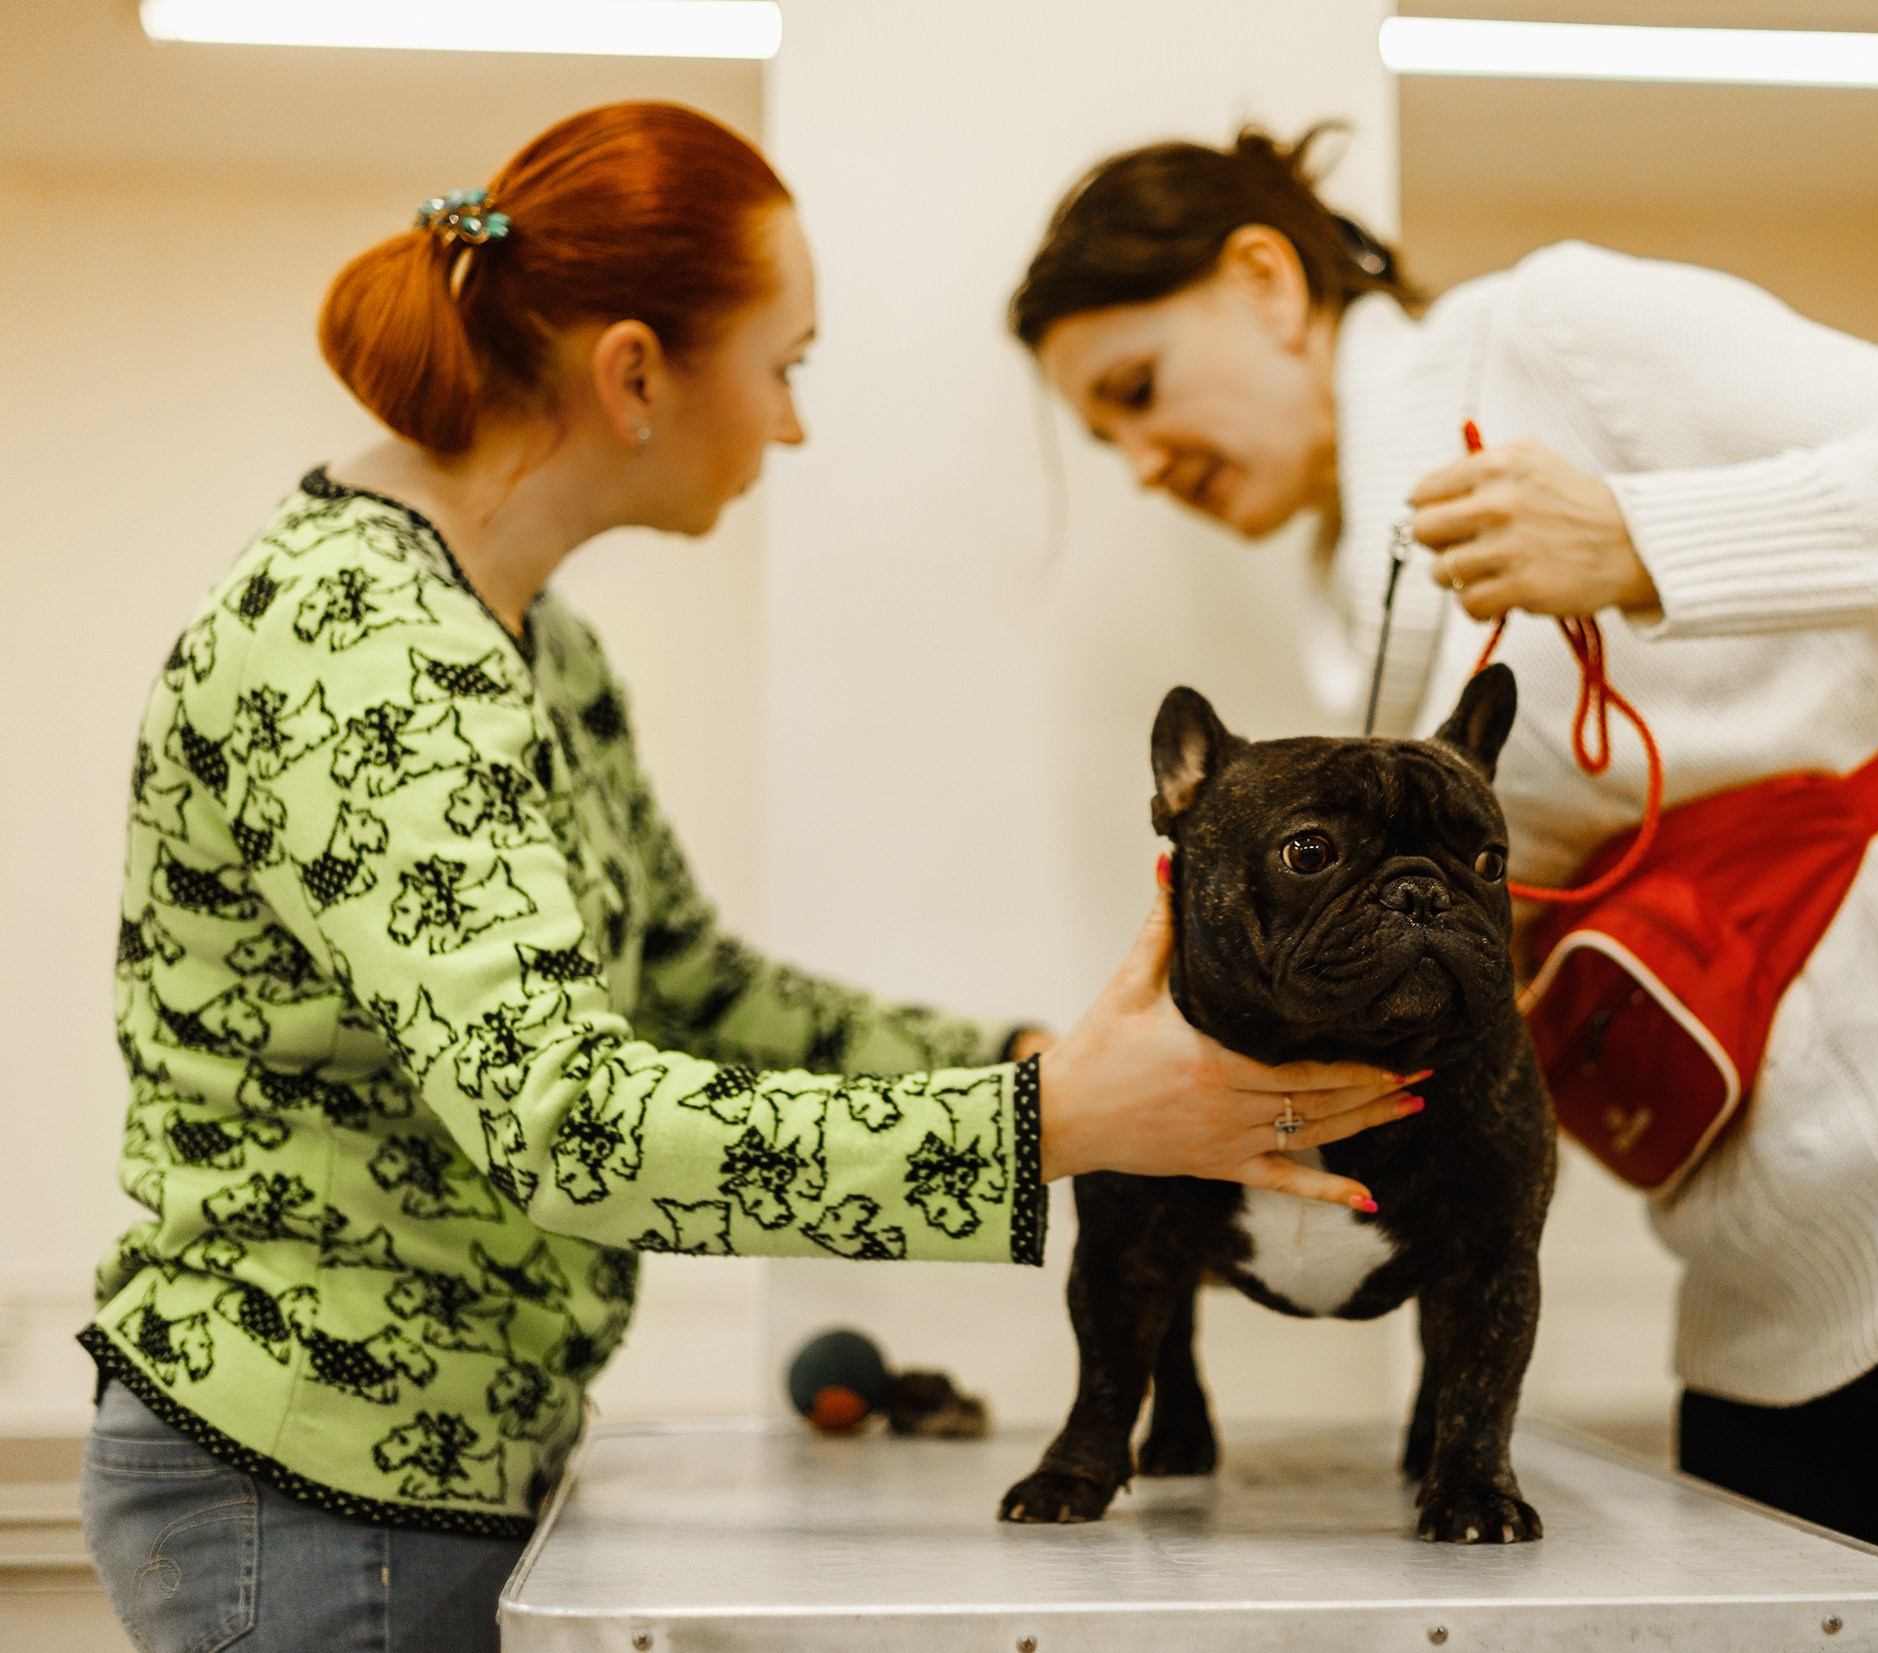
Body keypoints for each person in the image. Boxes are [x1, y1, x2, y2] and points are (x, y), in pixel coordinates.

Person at [81, 103, 1420, 1653]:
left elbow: (690, 989)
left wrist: (1030, 1064)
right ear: (637, 371)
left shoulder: (529, 638)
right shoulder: (356, 640)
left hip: (442, 1461)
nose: (790, 425)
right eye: (785, 367)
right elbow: (570, 1125)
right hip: (310, 1475)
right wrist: (1058, 1125)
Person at [1011, 126, 1878, 1651]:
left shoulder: (1553, 331)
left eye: (1138, 394)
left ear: (1263, 281)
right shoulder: (1341, 597)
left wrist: (1645, 537)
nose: (1143, 464)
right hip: (1774, 1285)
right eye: (1105, 444)